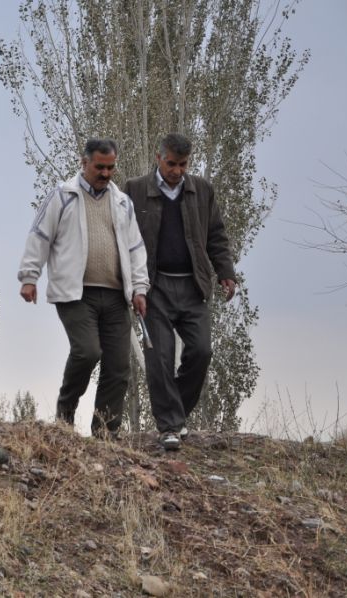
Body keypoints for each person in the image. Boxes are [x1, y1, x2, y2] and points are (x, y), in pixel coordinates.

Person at [18, 139, 149, 438]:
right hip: (76, 294)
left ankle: (105, 432)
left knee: (118, 366)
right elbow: (39, 236)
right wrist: (29, 277)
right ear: (84, 163)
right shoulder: (62, 197)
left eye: (110, 167)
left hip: (116, 296)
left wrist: (139, 289)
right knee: (87, 351)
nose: (105, 174)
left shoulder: (122, 203)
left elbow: (136, 249)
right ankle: (65, 415)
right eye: (99, 167)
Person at [123, 133, 236, 451]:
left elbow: (216, 235)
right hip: (153, 287)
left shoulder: (201, 190)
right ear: (159, 158)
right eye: (171, 163)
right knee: (158, 357)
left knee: (201, 351)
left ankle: (177, 414)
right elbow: (122, 238)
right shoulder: (134, 190)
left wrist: (225, 272)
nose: (176, 170)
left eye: (183, 164)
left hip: (192, 285)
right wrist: (130, 284)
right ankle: (170, 427)